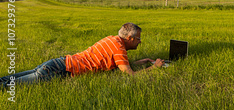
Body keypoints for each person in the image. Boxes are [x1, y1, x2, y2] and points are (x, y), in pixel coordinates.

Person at [1, 23, 165, 88]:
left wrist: (143, 61)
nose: (140, 42)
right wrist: (154, 68)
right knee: (8, 86)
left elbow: (122, 66)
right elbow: (131, 75)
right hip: (58, 70)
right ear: (129, 39)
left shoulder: (112, 40)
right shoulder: (119, 49)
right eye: (138, 39)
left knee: (7, 80)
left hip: (56, 64)